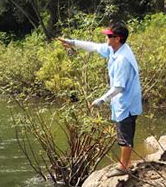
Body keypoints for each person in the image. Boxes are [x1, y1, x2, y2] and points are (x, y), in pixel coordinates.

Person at [59, 22, 142, 173]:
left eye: (109, 36)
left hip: (127, 101)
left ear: (117, 39)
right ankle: (125, 164)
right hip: (121, 100)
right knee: (122, 133)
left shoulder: (123, 59)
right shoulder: (114, 49)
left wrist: (101, 100)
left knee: (125, 135)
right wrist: (73, 43)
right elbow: (94, 47)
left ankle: (124, 167)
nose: (106, 37)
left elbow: (119, 87)